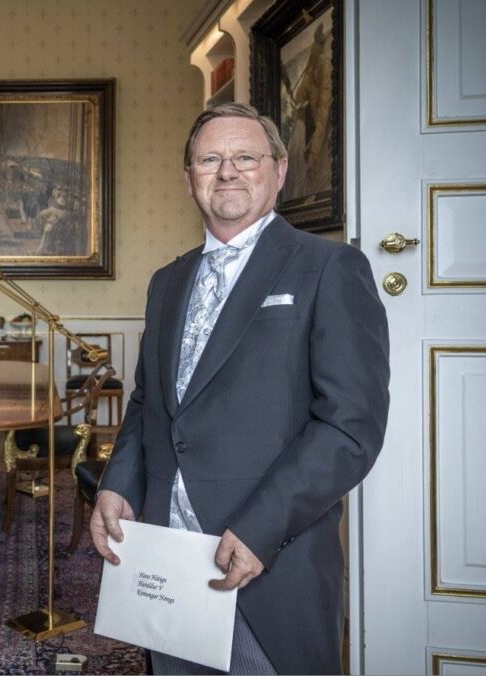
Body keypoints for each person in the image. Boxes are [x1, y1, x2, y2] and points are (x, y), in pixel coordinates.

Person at [90, 102, 389, 674]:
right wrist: (118, 484)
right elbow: (150, 402)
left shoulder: (330, 268)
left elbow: (350, 427)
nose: (227, 171)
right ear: (189, 179)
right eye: (209, 160)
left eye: (245, 158)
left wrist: (259, 529)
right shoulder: (167, 281)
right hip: (167, 559)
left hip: (266, 557)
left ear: (279, 171)